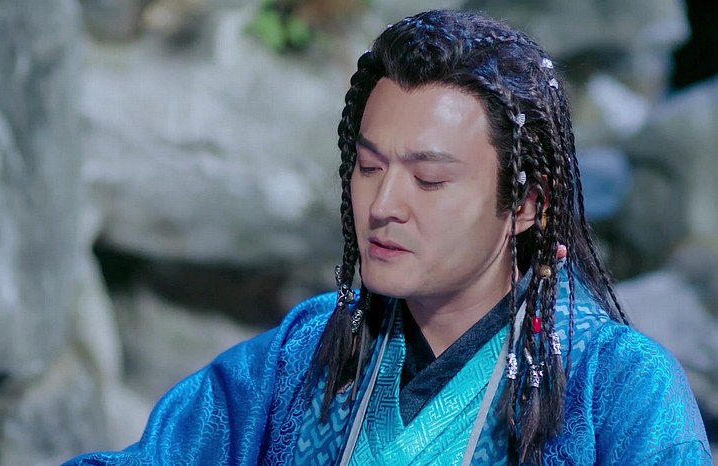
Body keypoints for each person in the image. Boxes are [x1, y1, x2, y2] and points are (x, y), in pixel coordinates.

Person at [64, 9, 712, 465]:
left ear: (526, 204)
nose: (382, 206)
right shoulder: (307, 351)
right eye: (369, 168)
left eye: (428, 180)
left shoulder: (617, 386)